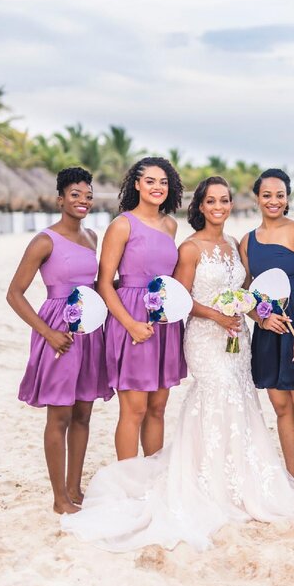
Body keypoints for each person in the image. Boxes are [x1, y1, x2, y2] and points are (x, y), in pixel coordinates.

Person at [61, 177, 294, 552]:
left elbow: (247, 293)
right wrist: (218, 315)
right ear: (200, 206)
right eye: (211, 201)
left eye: (224, 200)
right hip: (205, 336)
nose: (219, 207)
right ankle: (196, 481)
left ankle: (236, 482)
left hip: (237, 338)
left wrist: (254, 316)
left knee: (240, 401)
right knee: (214, 394)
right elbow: (181, 298)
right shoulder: (190, 247)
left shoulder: (235, 245)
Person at [6, 167, 111, 515]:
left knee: (83, 412)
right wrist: (47, 333)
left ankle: (74, 488)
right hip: (57, 331)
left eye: (88, 195)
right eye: (75, 195)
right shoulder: (44, 241)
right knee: (60, 414)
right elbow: (15, 294)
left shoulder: (93, 238)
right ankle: (59, 498)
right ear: (60, 199)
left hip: (90, 329)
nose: (83, 201)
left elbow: (97, 286)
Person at [240, 168, 294, 498]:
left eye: (279, 195)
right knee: (281, 407)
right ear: (257, 198)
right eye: (266, 195)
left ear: (287, 198)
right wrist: (259, 319)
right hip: (268, 331)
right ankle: (292, 480)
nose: (273, 200)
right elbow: (245, 293)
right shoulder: (248, 241)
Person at [96, 157, 187, 460]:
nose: (157, 187)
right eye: (150, 181)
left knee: (158, 408)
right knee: (134, 409)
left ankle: (152, 477)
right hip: (130, 320)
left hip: (165, 322)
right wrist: (130, 324)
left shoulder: (171, 225)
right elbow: (105, 283)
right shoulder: (122, 225)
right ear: (136, 184)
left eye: (163, 182)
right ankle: (127, 482)